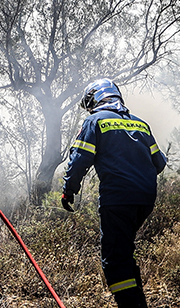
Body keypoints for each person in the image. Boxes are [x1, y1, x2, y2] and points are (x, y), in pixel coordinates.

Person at [61, 78, 167, 308]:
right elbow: (159, 163)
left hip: (117, 199)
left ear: (94, 99)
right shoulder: (141, 124)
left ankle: (131, 305)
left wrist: (69, 190)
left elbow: (79, 160)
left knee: (115, 260)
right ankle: (137, 301)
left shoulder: (95, 121)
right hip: (145, 200)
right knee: (124, 251)